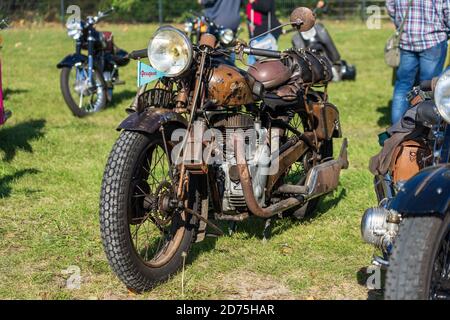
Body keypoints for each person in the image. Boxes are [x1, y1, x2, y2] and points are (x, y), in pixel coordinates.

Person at [387, 0, 449, 124]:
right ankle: (423, 131)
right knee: (429, 88)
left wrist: (402, 26)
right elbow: (448, 12)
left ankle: (397, 131)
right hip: (433, 40)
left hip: (406, 41)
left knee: (402, 86)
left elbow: (390, 6)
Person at [246, 0, 281, 65]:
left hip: (264, 32)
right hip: (258, 32)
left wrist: (253, 2)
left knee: (257, 60)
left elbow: (266, 7)